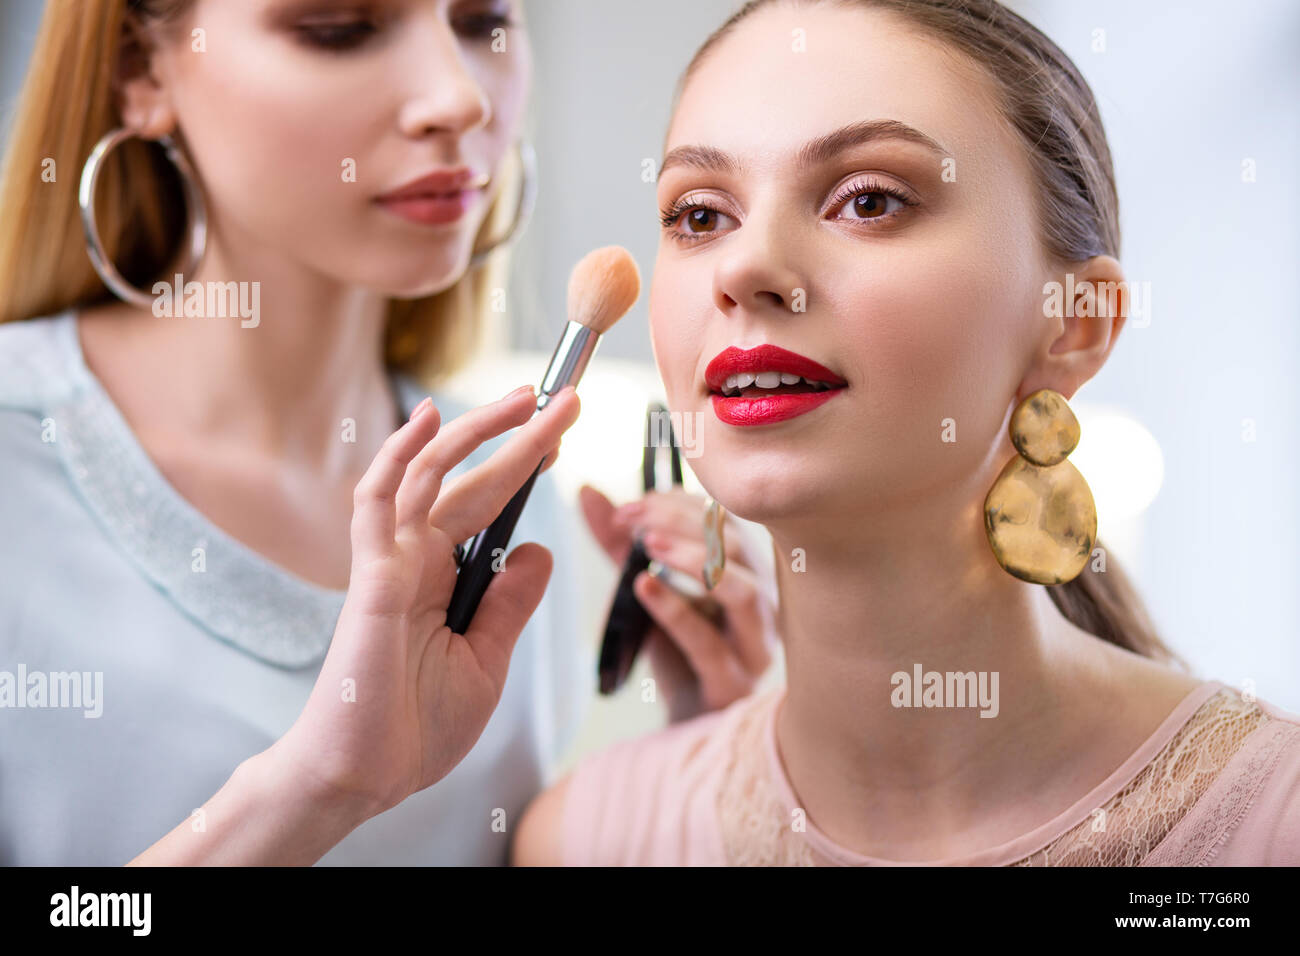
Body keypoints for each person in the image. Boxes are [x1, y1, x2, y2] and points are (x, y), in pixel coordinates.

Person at [512, 0, 1300, 866]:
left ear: (1073, 323)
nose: (745, 268)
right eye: (700, 215)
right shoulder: (585, 841)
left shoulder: (1271, 825)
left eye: (870, 200)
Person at [0, 0, 772, 865]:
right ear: (141, 74)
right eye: (339, 28)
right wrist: (319, 785)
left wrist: (698, 758)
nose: (459, 97)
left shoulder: (506, 496)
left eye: (483, 22)